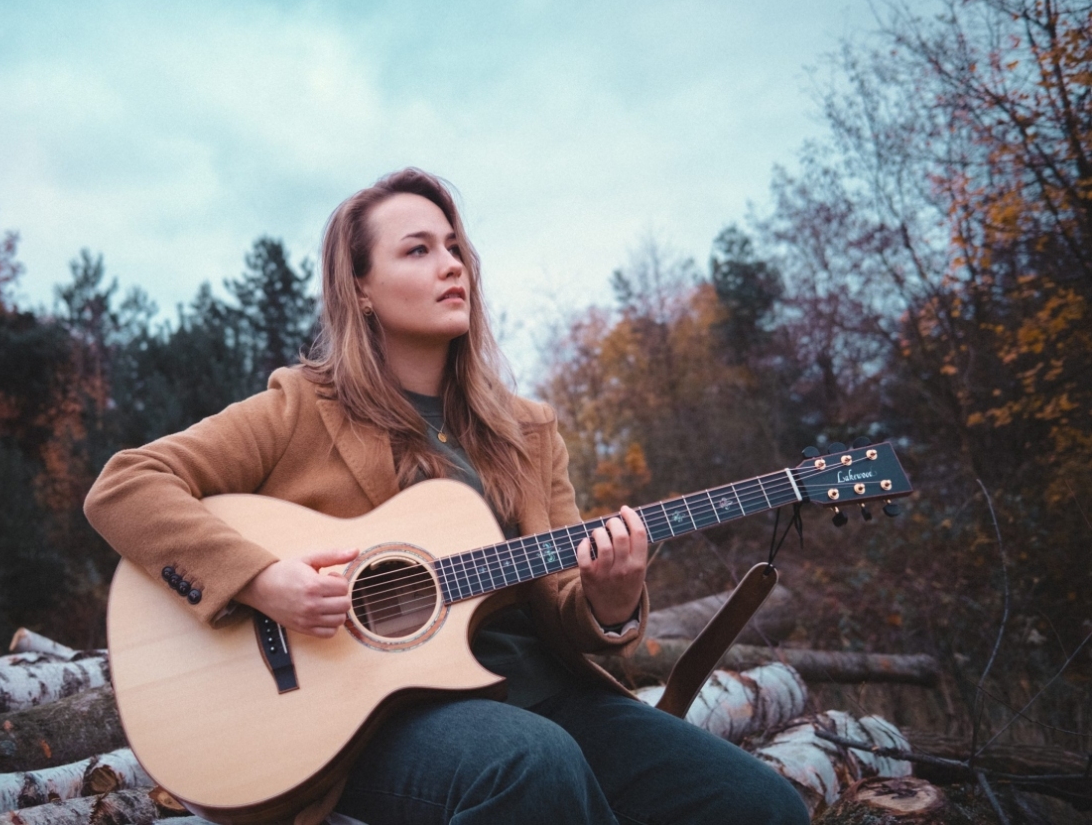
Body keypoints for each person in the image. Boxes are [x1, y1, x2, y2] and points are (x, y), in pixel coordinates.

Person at [84, 169, 809, 825]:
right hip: (377, 726)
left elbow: (566, 606)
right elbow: (125, 486)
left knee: (759, 803)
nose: (452, 264)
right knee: (531, 762)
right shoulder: (299, 408)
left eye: (456, 248)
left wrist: (609, 600)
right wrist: (262, 580)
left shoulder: (529, 431)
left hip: (549, 700)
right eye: (418, 250)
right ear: (360, 289)